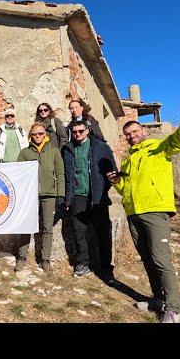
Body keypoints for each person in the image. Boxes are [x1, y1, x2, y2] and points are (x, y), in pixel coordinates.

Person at [107, 96, 180, 323]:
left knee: (161, 260)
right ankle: (158, 299)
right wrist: (117, 181)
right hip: (134, 213)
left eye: (134, 132)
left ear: (142, 131)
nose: (131, 136)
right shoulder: (128, 161)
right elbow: (126, 189)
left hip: (155, 211)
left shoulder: (158, 148)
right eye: (128, 134)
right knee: (146, 258)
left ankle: (173, 309)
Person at [61, 120, 116, 284]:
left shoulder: (100, 147)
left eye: (80, 131)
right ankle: (83, 264)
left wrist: (102, 189)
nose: (77, 134)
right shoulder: (68, 149)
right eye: (75, 132)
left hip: (97, 196)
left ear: (87, 130)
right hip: (78, 196)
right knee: (80, 232)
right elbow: (66, 174)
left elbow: (111, 171)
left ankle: (106, 268)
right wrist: (67, 197)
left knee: (103, 232)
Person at [15, 122, 65, 273]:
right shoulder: (24, 153)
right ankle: (22, 257)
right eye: (35, 134)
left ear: (46, 134)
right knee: (26, 226)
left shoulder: (54, 152)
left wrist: (60, 194)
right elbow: (19, 174)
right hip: (30, 196)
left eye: (41, 133)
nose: (38, 136)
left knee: (47, 228)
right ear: (31, 135)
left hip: (49, 195)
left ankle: (45, 259)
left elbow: (60, 174)